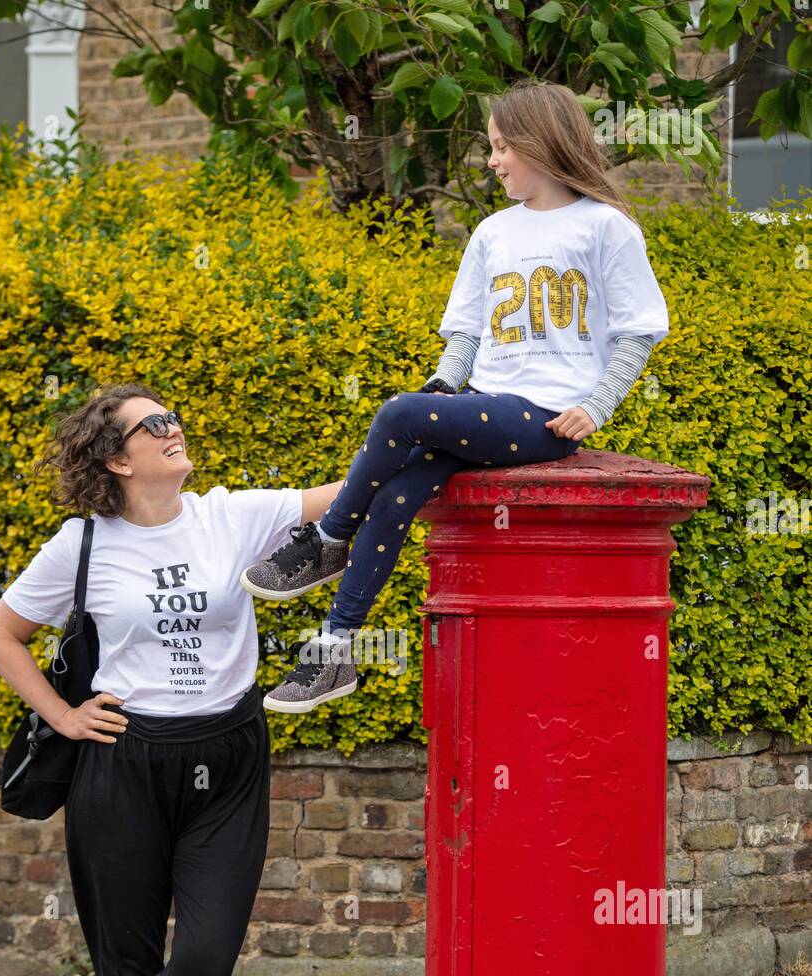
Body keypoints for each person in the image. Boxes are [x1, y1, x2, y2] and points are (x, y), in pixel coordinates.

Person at [0, 384, 343, 976]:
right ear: (117, 459)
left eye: (174, 416)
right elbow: (2, 635)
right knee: (129, 961)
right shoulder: (80, 544)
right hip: (124, 760)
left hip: (229, 753)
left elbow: (348, 493)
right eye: (153, 425)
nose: (173, 428)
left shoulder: (232, 515)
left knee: (208, 955)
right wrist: (63, 715)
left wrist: (427, 438)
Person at [240, 79, 670, 713]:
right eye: (489, 147)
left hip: (545, 419)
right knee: (396, 497)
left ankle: (329, 538)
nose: (492, 161)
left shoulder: (605, 227)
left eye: (501, 147)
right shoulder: (493, 232)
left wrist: (597, 406)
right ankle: (333, 653)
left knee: (399, 410)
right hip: (488, 408)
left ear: (540, 141)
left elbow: (638, 331)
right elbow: (466, 333)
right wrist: (445, 385)